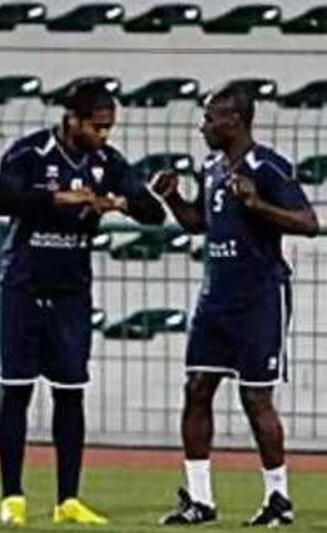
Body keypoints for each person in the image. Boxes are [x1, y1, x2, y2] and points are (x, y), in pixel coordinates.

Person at [0, 80, 166, 527]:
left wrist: (118, 202)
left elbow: (152, 212)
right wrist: (56, 198)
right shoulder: (29, 153)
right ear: (71, 119)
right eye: (97, 127)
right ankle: (13, 496)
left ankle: (69, 499)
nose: (103, 136)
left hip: (72, 293)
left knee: (70, 394)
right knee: (16, 391)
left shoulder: (106, 161)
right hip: (24, 288)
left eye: (108, 128)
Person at [153, 85, 318, 527]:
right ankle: (200, 501)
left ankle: (278, 499)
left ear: (235, 120)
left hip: (259, 297)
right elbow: (198, 224)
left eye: (211, 118)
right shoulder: (210, 167)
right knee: (196, 389)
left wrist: (258, 203)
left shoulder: (266, 166)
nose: (203, 125)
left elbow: (308, 222)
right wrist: (171, 198)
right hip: (216, 299)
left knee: (255, 398)